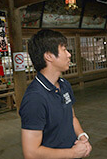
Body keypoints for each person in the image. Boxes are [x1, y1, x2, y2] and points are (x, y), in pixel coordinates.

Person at [19, 29, 92, 158]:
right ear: (49, 56)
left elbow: (72, 117)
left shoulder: (64, 84)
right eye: (64, 49)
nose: (69, 54)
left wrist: (82, 136)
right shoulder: (35, 98)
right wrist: (73, 153)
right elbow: (31, 153)